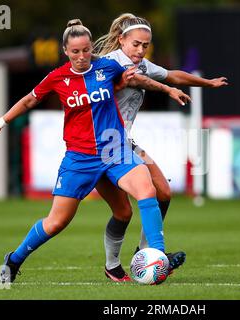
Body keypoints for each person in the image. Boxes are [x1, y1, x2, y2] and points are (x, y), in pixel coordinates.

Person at [0, 19, 189, 284]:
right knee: (57, 222)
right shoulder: (58, 77)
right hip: (80, 158)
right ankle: (14, 260)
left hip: (115, 149)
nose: (82, 56)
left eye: (86, 50)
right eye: (75, 51)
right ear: (66, 51)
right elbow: (29, 99)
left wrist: (168, 88)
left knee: (146, 191)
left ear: (92, 48)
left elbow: (139, 80)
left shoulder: (109, 67)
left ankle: (157, 256)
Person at [93, 13, 229, 282]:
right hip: (102, 144)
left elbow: (172, 75)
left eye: (146, 45)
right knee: (122, 213)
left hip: (126, 141)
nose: (141, 50)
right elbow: (137, 81)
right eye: (136, 44)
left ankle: (147, 253)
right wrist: (166, 90)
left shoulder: (141, 63)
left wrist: (208, 83)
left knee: (163, 192)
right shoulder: (109, 64)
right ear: (121, 40)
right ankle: (114, 266)